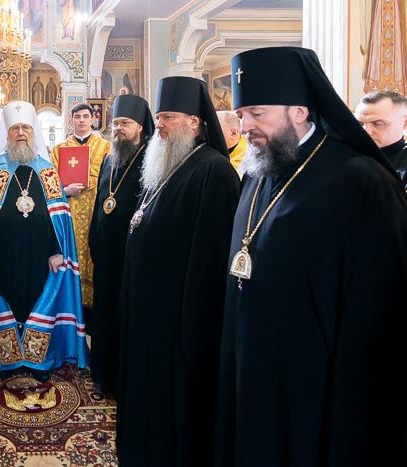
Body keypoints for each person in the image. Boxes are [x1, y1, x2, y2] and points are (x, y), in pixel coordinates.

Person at [215, 47, 407, 467]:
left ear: (299, 111)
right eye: (242, 114)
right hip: (252, 365)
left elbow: (381, 314)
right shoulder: (258, 171)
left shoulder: (362, 182)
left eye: (257, 114)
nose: (244, 127)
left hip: (313, 384)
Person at [117, 76, 240, 467]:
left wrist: (189, 321)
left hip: (177, 318)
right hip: (149, 311)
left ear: (195, 122)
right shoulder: (166, 164)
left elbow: (211, 258)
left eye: (168, 117)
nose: (160, 125)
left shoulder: (214, 171)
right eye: (159, 117)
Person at [0, 100, 88, 383]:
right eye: (15, 129)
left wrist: (57, 251)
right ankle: (8, 360)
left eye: (26, 128)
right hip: (2, 255)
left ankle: (39, 359)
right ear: (7, 133)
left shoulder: (47, 170)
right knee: (8, 299)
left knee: (37, 299)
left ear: (33, 132)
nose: (21, 133)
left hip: (41, 255)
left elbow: (58, 217)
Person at [88, 94, 153, 396]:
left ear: (140, 126)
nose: (118, 129)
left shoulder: (151, 160)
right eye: (115, 123)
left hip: (132, 253)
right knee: (104, 313)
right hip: (106, 252)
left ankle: (124, 378)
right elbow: (101, 201)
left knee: (126, 315)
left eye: (125, 123)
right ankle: (103, 373)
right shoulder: (109, 158)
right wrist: (94, 237)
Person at [51, 103, 112, 310]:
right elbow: (49, 183)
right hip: (68, 211)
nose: (82, 120)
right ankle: (70, 304)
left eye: (86, 116)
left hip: (97, 210)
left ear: (93, 119)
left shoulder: (106, 147)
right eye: (77, 117)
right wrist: (65, 190)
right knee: (71, 252)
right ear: (71, 120)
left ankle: (94, 307)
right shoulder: (59, 149)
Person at [354, 89, 407, 188]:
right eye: (360, 124)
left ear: (404, 123)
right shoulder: (346, 154)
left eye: (378, 123)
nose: (366, 131)